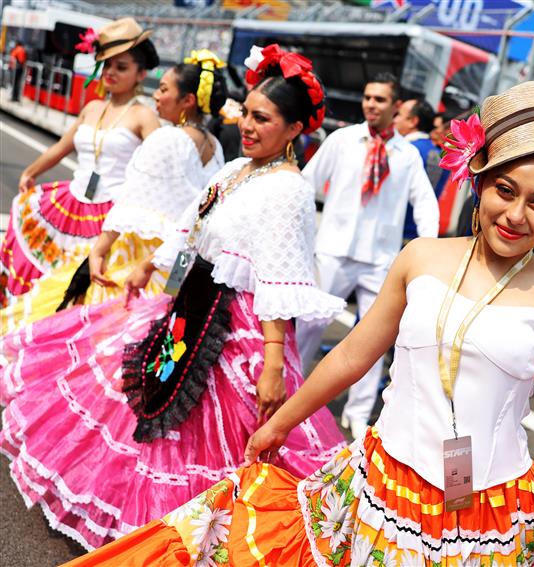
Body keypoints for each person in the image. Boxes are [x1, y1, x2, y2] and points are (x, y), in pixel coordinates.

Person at [67, 80, 534, 567]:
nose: (515, 215)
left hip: (493, 516)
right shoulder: (420, 259)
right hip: (378, 486)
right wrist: (279, 423)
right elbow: (354, 355)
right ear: (479, 180)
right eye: (505, 190)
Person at [0, 45, 346, 551]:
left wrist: (273, 360)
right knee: (158, 415)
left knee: (219, 438)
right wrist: (149, 264)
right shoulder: (239, 170)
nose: (247, 126)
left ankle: (200, 538)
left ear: (295, 130)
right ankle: (155, 528)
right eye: (246, 114)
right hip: (192, 305)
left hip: (240, 327)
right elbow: (193, 221)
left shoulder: (288, 189)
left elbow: (277, 276)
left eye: (262, 119)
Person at [0, 50, 226, 334]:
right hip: (175, 256)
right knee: (146, 328)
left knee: (96, 324)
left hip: (140, 248)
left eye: (164, 89)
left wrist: (100, 250)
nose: (156, 95)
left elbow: (134, 198)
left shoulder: (167, 137)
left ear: (188, 101)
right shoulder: (215, 146)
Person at [296, 72, 440, 439]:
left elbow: (424, 203)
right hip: (333, 251)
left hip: (380, 261)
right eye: (367, 97)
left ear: (395, 106)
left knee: (373, 340)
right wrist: (299, 235)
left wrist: (428, 251)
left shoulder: (407, 155)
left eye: (379, 99)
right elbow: (306, 183)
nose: (371, 104)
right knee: (309, 326)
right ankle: (291, 393)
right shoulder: (342, 140)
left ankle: (358, 412)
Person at [0, 18, 161, 307]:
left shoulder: (144, 116)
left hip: (111, 214)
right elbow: (63, 147)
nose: (111, 72)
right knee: (50, 277)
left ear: (141, 74)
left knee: (84, 287)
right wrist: (30, 171)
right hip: (71, 202)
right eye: (107, 65)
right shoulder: (92, 107)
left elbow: (161, 166)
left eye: (121, 67)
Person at [394, 97, 449, 240]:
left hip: (395, 233)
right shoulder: (442, 156)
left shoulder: (405, 151)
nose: (395, 120)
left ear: (413, 121)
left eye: (399, 115)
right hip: (420, 234)